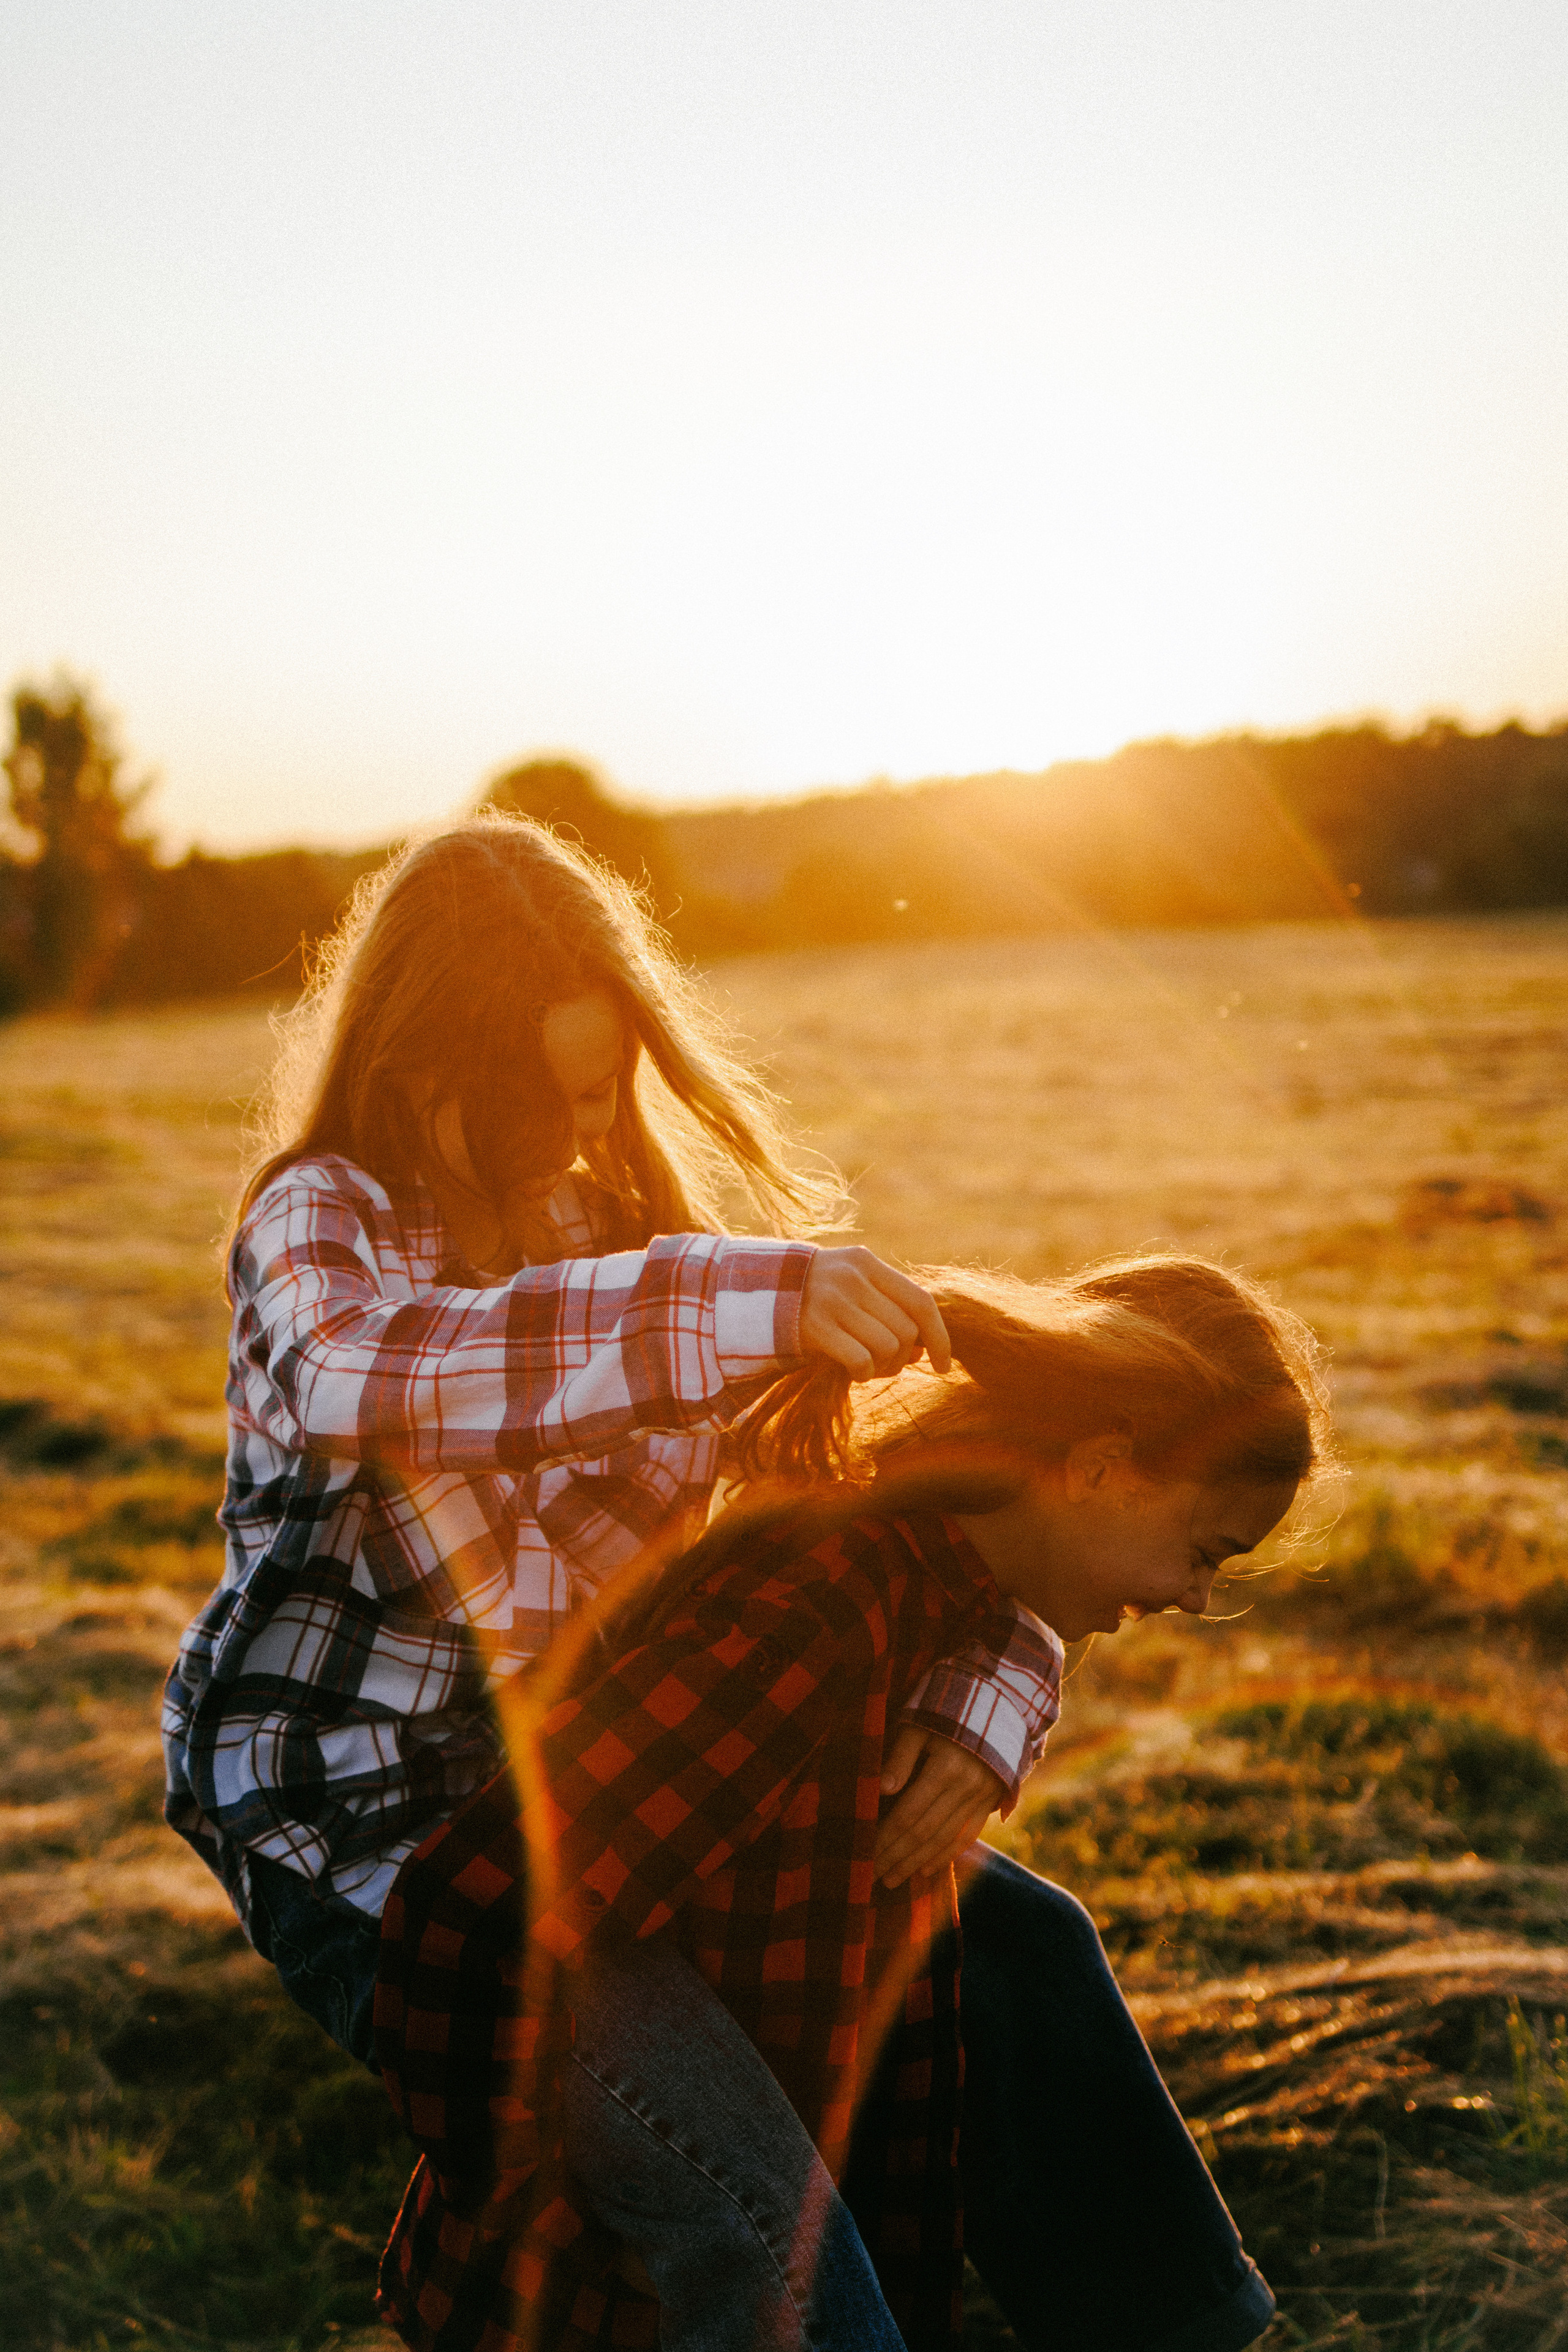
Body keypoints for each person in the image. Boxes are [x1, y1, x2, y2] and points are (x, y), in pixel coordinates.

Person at [160, 813, 1060, 2088]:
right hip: (340, 1816)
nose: (583, 1131)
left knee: (1025, 1955)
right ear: (422, 1069)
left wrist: (989, 1696)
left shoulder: (615, 1229)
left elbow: (865, 1486)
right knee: (663, 2110)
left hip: (597, 1793)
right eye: (547, 1100)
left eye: (602, 1089)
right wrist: (730, 1301)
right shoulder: (320, 1222)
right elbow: (362, 1377)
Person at [374, 1253, 1330, 2352]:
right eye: (1206, 1554)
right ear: (1102, 1467)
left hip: (786, 2170)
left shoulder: (946, 1600)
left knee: (1033, 1936)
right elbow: (470, 1902)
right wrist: (504, 2173)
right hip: (613, 2294)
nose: (1193, 1598)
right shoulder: (821, 1613)